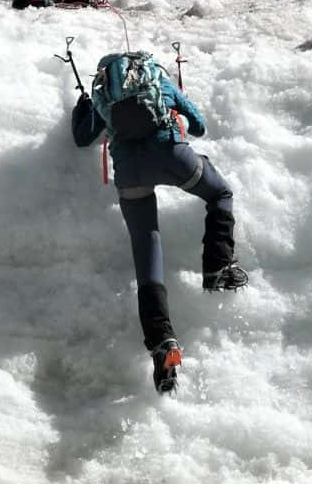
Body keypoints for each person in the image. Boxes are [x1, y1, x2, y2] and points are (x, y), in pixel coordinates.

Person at [71, 52, 249, 394]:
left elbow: (82, 138)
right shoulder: (157, 80)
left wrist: (83, 107)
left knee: (146, 252)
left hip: (130, 173)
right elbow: (198, 125)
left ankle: (162, 343)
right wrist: (175, 102)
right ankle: (218, 266)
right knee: (220, 193)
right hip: (172, 156)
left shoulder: (103, 93)